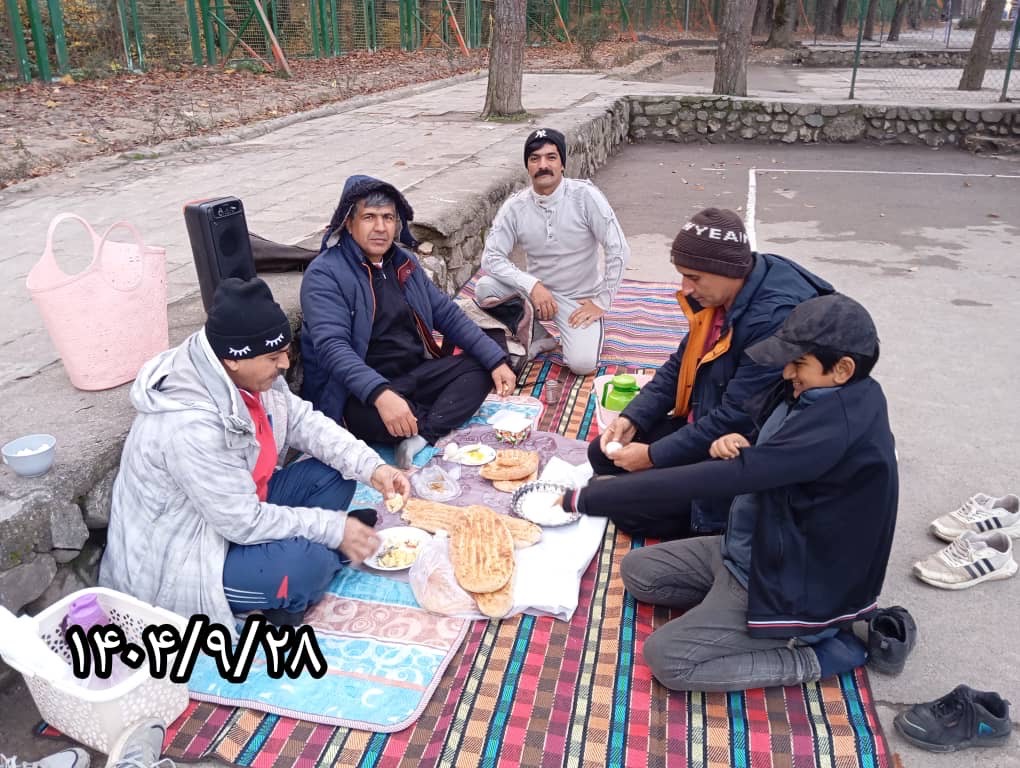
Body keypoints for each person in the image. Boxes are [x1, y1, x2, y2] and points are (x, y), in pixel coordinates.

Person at [596, 294, 898, 692]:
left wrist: (617, 489)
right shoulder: (814, 396)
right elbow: (775, 459)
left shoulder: (837, 425)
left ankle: (817, 653)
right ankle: (726, 609)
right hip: (748, 547)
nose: (787, 372)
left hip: (785, 580)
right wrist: (745, 444)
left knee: (668, 660)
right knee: (639, 573)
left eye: (798, 364)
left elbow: (739, 475)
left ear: (842, 369)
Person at [101, 278, 408, 629]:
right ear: (233, 359)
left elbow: (303, 421)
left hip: (238, 510)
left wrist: (373, 468)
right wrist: (333, 528)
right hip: (190, 553)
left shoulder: (253, 375)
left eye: (284, 353)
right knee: (305, 568)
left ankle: (303, 566)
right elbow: (243, 522)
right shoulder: (190, 426)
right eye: (274, 357)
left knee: (335, 475)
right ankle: (294, 582)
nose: (284, 364)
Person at [579, 207, 833, 539]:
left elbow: (735, 418)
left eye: (694, 277)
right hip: (706, 417)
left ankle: (714, 521)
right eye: (683, 275)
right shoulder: (720, 294)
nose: (685, 288)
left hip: (738, 447)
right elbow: (679, 364)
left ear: (729, 271)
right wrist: (633, 418)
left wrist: (653, 456)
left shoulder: (770, 319)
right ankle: (649, 484)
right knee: (601, 453)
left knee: (629, 510)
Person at [301, 175, 516, 468]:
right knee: (369, 418)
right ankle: (429, 419)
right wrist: (380, 394)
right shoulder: (325, 274)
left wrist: (495, 361)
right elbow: (332, 348)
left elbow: (447, 313)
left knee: (484, 362)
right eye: (369, 217)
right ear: (349, 223)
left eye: (388, 217)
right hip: (359, 392)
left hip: (413, 374)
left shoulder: (403, 262)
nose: (380, 227)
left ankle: (420, 435)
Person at [475, 128, 630, 375]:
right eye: (534, 159)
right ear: (527, 166)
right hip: (535, 298)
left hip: (577, 300)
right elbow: (491, 258)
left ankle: (588, 327)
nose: (543, 165)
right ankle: (538, 335)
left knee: (582, 364)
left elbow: (618, 248)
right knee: (485, 288)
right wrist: (532, 285)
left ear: (563, 164)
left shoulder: (585, 197)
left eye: (551, 157)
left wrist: (602, 302)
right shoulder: (515, 206)